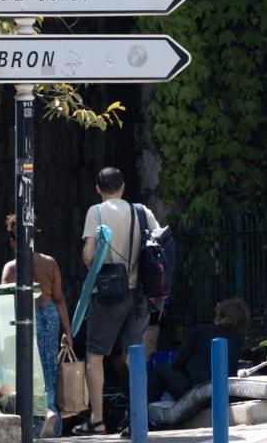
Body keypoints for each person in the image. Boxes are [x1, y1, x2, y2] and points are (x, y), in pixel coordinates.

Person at [72, 166, 159, 436]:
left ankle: (97, 420)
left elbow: (89, 257)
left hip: (109, 295)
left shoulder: (95, 212)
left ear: (98, 189)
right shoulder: (142, 212)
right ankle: (138, 418)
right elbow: (156, 245)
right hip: (140, 294)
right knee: (135, 355)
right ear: (123, 187)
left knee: (95, 355)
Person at [1, 214, 73, 438]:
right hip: (50, 315)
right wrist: (67, 332)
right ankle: (52, 413)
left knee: (27, 369)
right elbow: (59, 299)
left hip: (27, 317)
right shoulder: (50, 263)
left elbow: (4, 304)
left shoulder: (11, 268)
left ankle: (36, 419)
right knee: (49, 367)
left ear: (13, 240)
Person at [148, 298, 249, 403]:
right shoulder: (238, 341)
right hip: (222, 394)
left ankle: (146, 414)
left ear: (220, 315)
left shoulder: (201, 331)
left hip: (195, 391)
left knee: (160, 369)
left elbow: (178, 362)